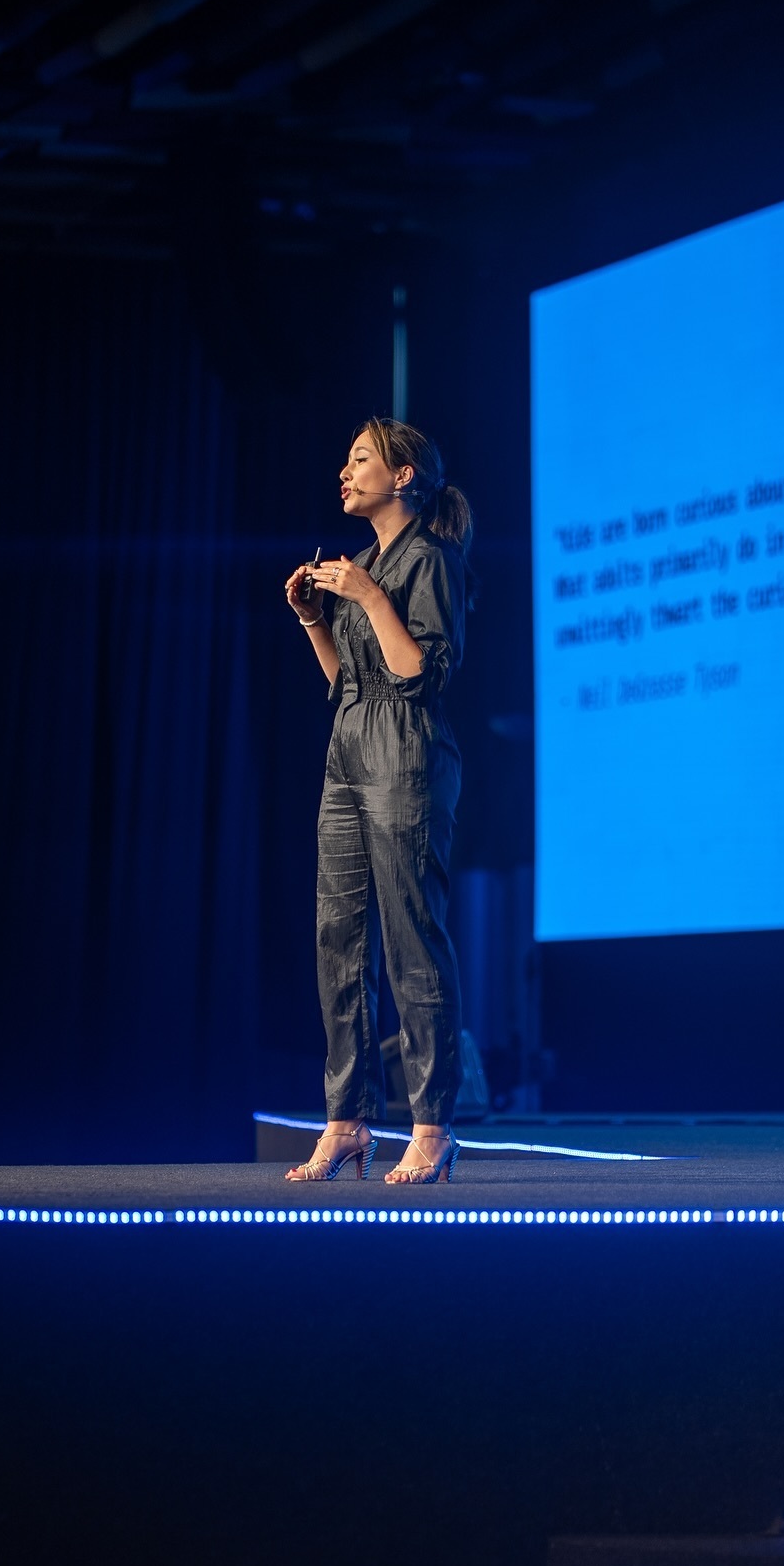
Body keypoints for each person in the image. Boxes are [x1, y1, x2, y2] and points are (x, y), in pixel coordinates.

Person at [282, 418, 472, 1186]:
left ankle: (431, 1126)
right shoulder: (359, 564)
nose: (345, 471)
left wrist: (367, 596)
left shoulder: (432, 558)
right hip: (349, 751)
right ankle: (347, 1120)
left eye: (360, 458)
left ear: (403, 476)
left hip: (408, 754)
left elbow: (416, 672)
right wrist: (313, 619)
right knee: (338, 938)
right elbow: (349, 681)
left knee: (410, 939)